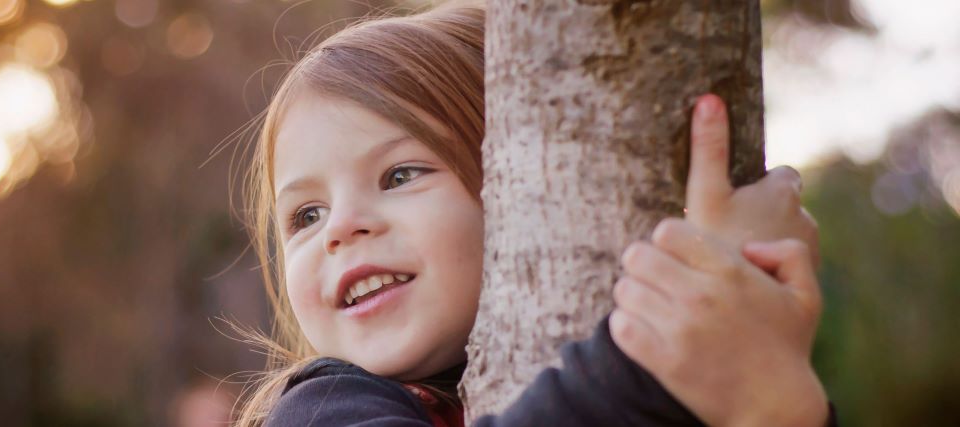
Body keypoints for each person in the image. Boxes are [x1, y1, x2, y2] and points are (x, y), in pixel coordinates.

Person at [231, 2, 832, 426]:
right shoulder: (324, 408)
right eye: (305, 215)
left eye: (399, 175)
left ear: (522, 186)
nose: (340, 229)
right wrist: (655, 354)